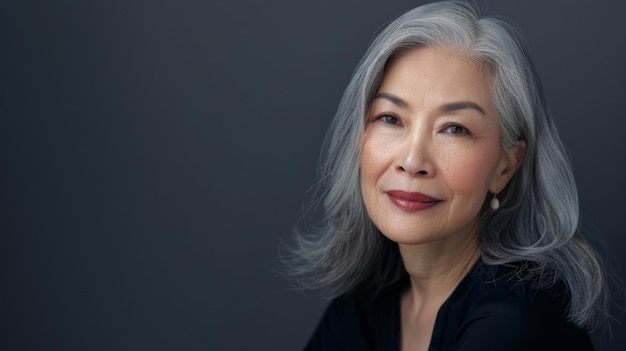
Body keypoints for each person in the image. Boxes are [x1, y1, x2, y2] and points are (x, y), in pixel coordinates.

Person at [287, 1, 609, 350]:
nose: (412, 160)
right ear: (357, 138)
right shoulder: (362, 309)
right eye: (390, 119)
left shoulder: (517, 322)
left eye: (454, 128)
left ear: (506, 166)